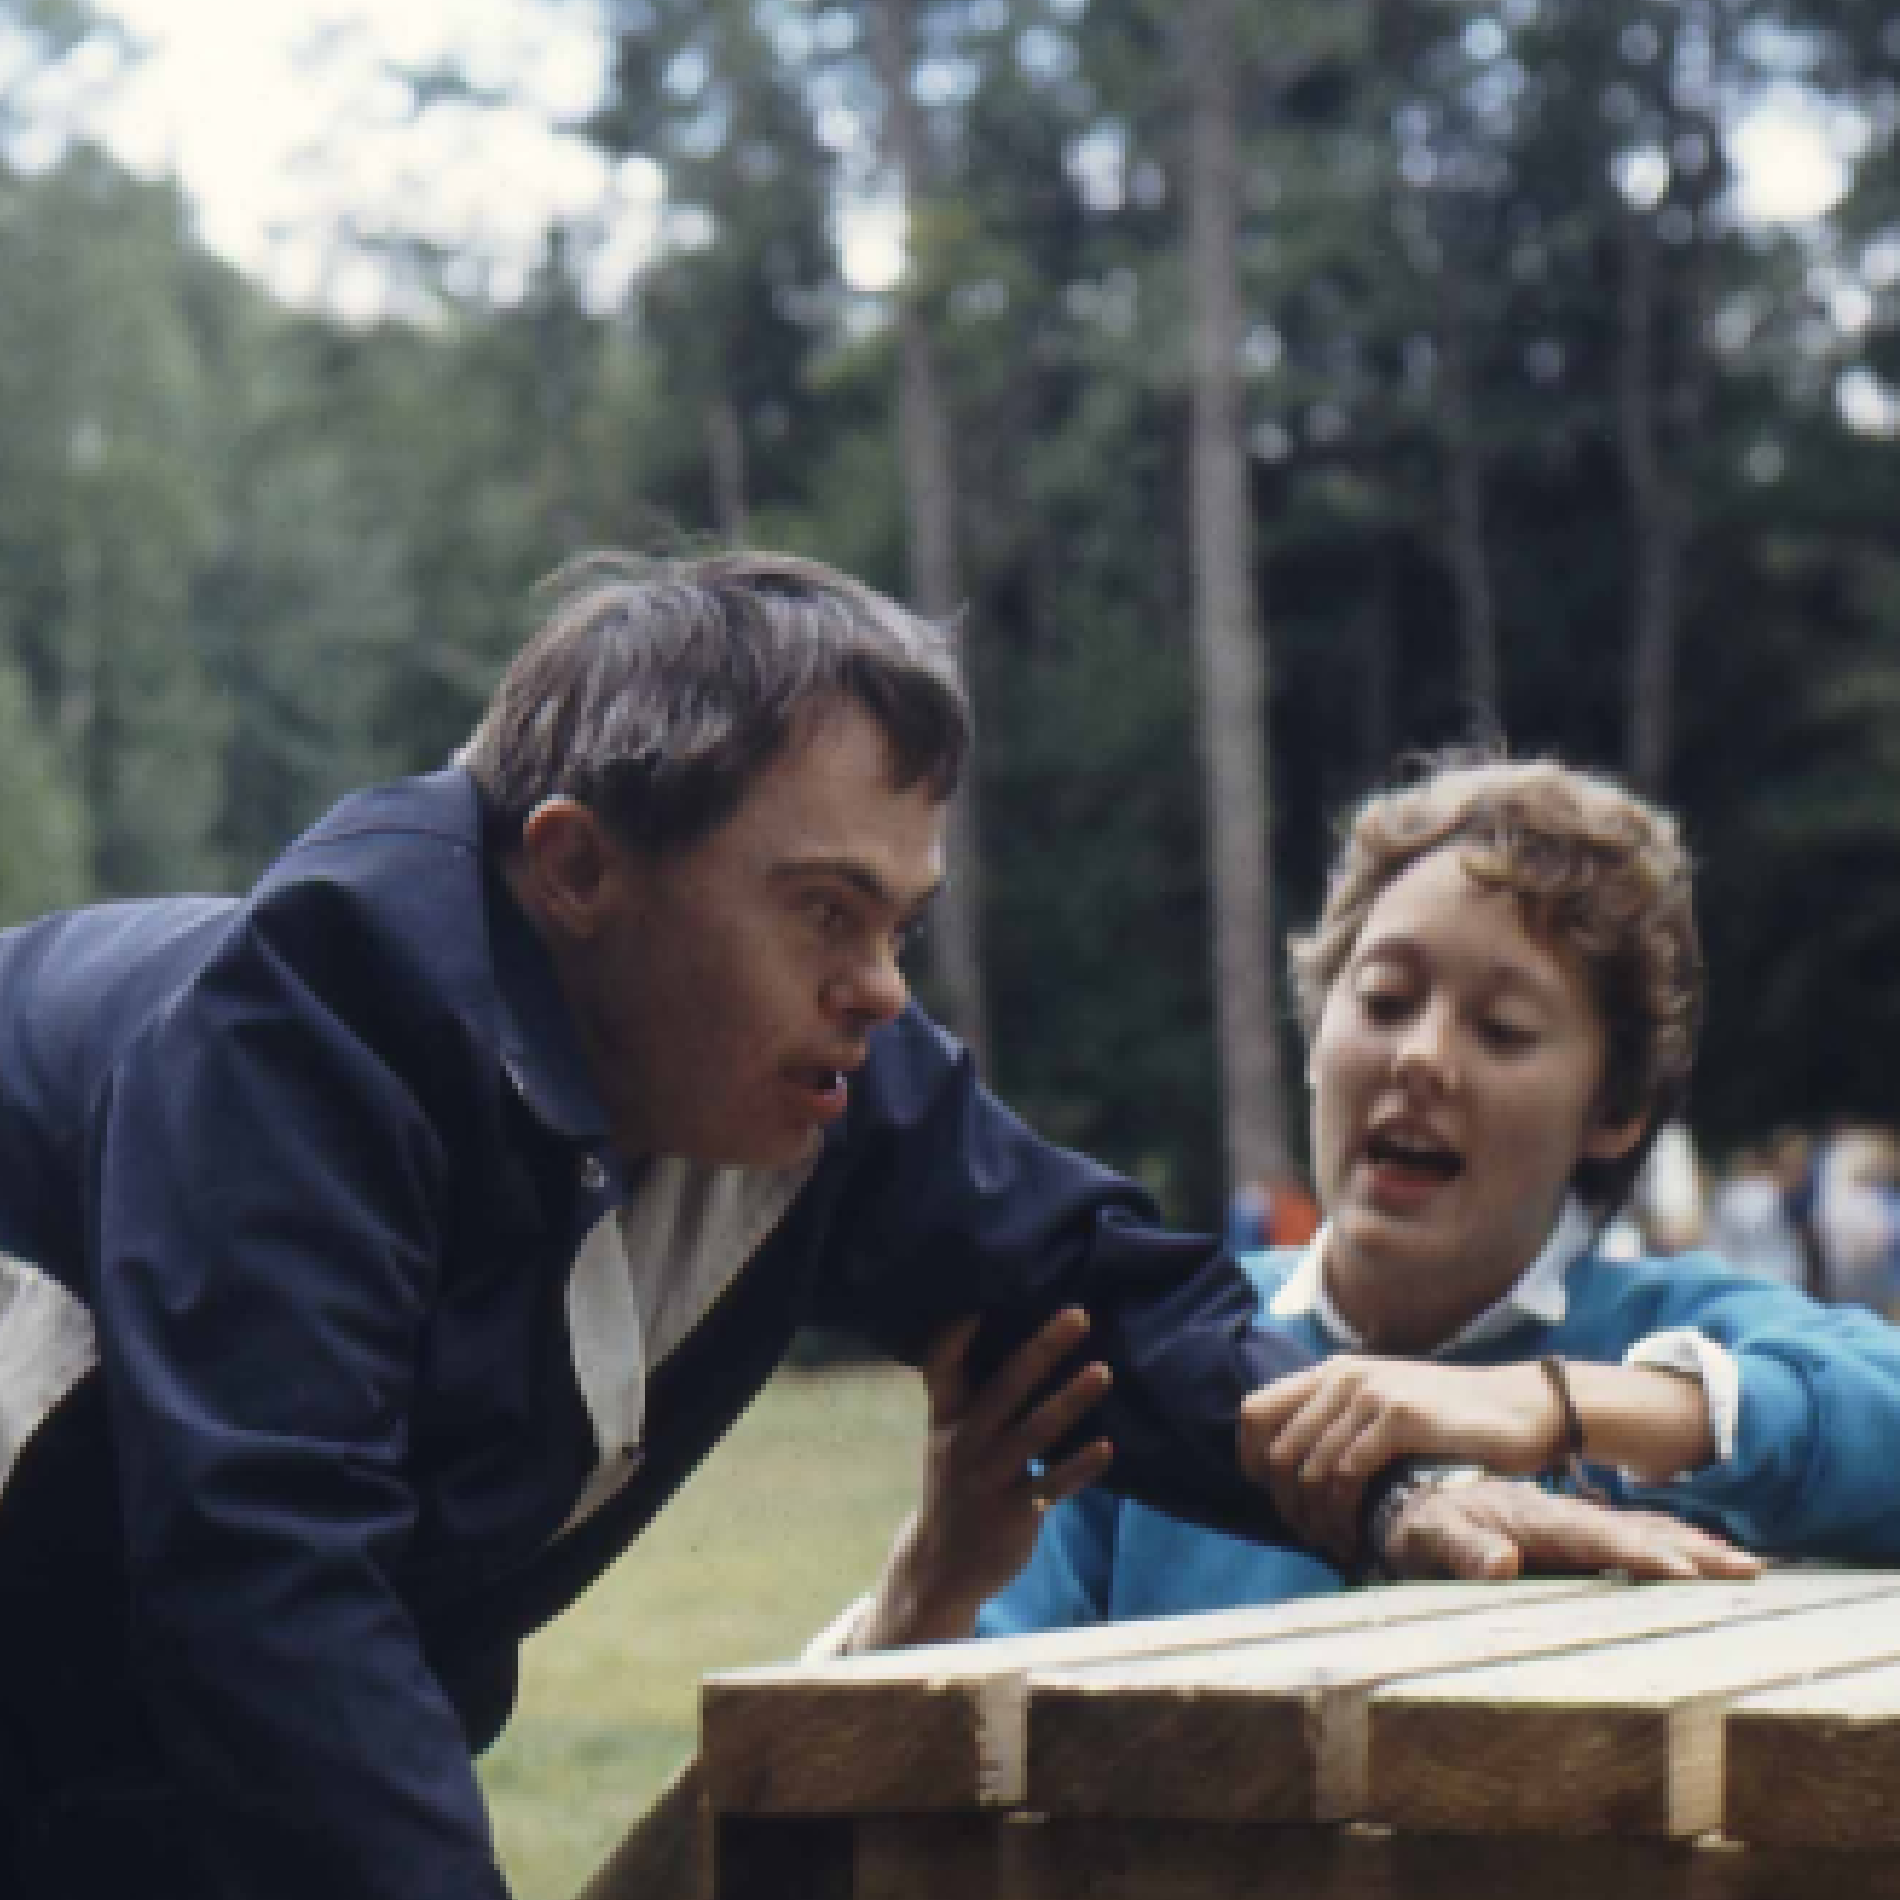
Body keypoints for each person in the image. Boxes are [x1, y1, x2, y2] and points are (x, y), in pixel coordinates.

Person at [0, 560, 1737, 1900]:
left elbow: (1092, 1294)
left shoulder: (816, 1058)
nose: (882, 988)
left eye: (902, 919)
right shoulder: (307, 1027)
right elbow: (272, 1583)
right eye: (825, 910)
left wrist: (1396, 1489)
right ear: (577, 870)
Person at [838, 751, 1883, 1649]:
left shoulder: (1670, 1334)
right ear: (1316, 1030)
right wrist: (930, 1580)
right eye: (1383, 1000)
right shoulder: (1158, 1363)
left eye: (1504, 1028)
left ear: (1613, 1106)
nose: (1422, 1057)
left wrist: (1560, 1404)